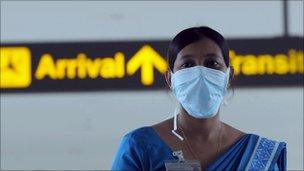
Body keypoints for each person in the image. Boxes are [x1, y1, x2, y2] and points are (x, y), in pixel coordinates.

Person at [111, 26, 287, 171]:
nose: (200, 73)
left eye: (212, 63)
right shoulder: (141, 146)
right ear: (170, 78)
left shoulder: (258, 155)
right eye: (187, 65)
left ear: (229, 75)